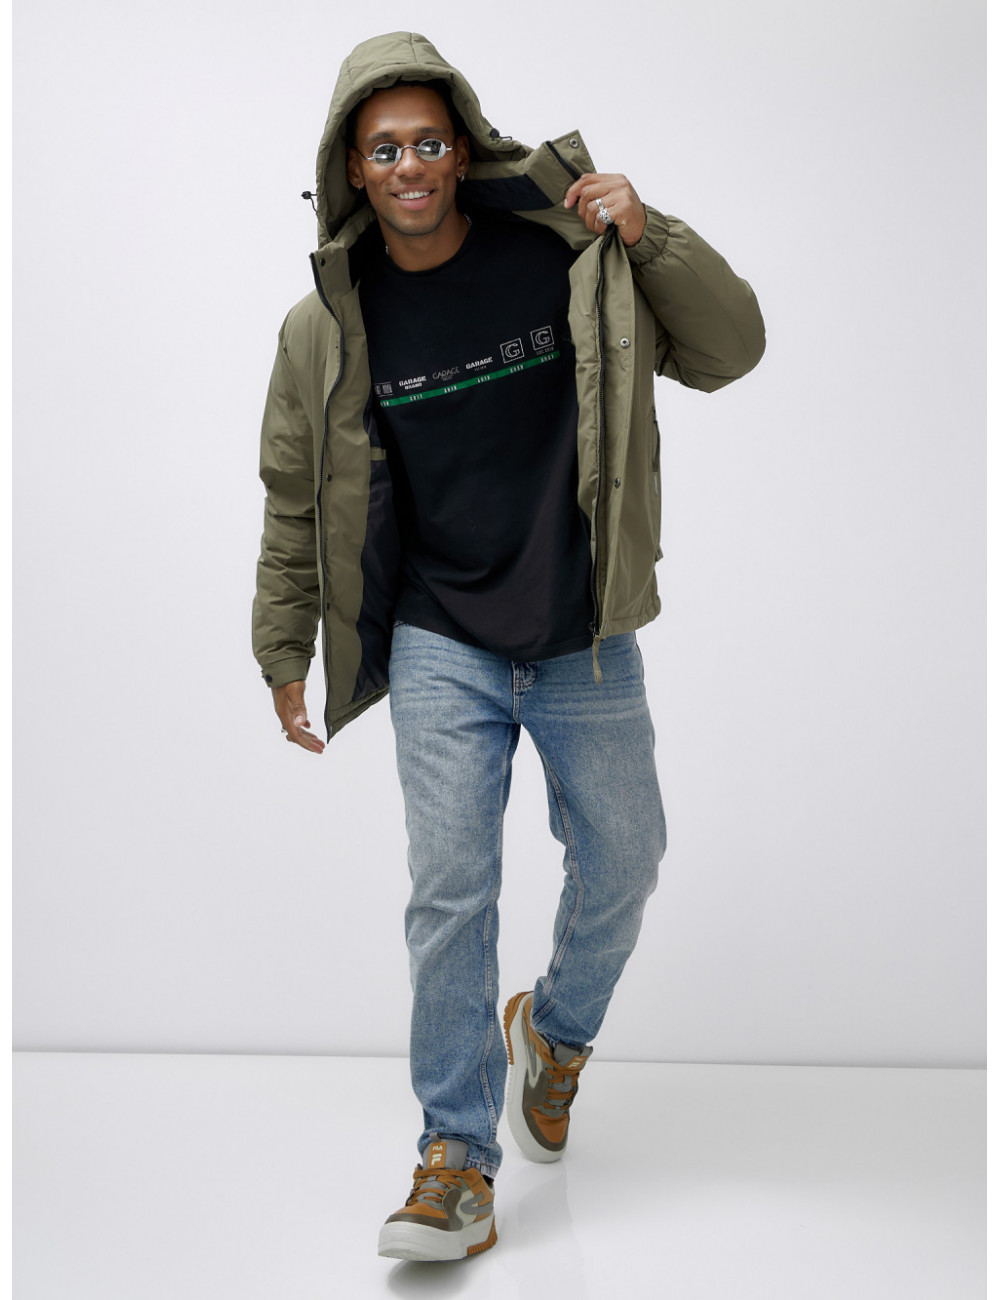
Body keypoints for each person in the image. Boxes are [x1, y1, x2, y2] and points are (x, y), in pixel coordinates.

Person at [252, 31, 765, 1263]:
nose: (410, 165)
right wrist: (282, 644)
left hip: (580, 627)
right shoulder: (326, 324)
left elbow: (729, 350)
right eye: (385, 149)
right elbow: (291, 497)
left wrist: (650, 232)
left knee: (627, 855)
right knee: (451, 893)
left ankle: (556, 1031)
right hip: (439, 638)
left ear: (461, 144)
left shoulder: (568, 252)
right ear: (353, 169)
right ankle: (455, 1162)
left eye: (428, 140)